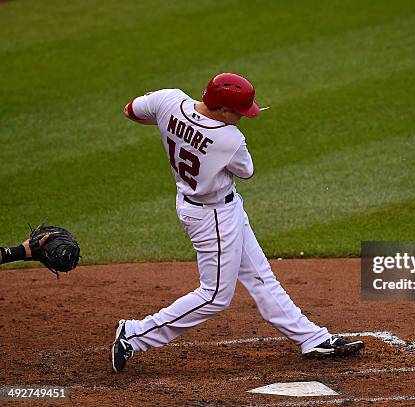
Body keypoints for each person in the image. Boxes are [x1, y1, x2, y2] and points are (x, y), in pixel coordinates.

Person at [111, 73, 364, 373]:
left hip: (202, 205)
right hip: (213, 218)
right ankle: (134, 334)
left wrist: (172, 127)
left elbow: (132, 110)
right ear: (223, 110)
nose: (243, 118)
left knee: (260, 276)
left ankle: (312, 338)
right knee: (215, 296)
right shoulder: (229, 139)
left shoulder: (169, 99)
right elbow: (247, 171)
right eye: (240, 113)